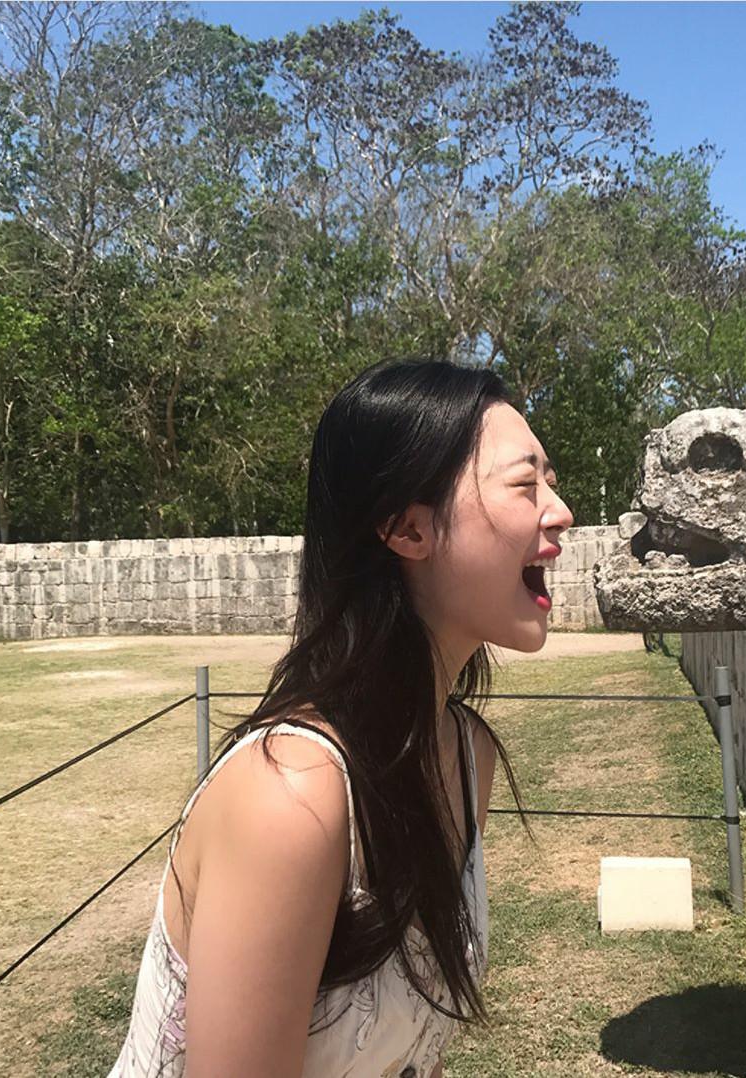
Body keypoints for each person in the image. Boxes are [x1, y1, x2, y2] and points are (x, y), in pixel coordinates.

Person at [107, 358, 573, 1077]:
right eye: (523, 484)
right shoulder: (291, 797)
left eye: (548, 479)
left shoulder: (462, 753)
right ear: (406, 529)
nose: (559, 510)